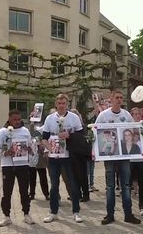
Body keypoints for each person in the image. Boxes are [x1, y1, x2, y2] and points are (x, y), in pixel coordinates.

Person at [95, 90, 141, 225]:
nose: (119, 100)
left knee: (126, 185)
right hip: (109, 155)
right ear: (111, 99)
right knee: (110, 186)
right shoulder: (103, 115)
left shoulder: (126, 115)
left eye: (121, 98)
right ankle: (110, 215)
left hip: (124, 156)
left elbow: (133, 132)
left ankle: (128, 214)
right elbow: (96, 131)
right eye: (117, 97)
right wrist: (96, 151)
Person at [41, 94, 83, 223]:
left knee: (72, 184)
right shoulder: (49, 118)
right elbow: (44, 138)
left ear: (67, 104)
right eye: (59, 103)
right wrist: (50, 149)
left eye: (63, 103)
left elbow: (81, 135)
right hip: (54, 158)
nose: (61, 105)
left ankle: (76, 212)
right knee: (54, 185)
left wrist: (69, 135)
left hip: (69, 156)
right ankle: (53, 212)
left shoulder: (74, 118)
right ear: (56, 104)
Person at [0, 109, 35, 227]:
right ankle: (6, 216)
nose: (17, 122)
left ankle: (26, 214)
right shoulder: (2, 132)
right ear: (9, 119)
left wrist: (29, 149)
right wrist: (5, 152)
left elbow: (30, 146)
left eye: (19, 119)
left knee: (24, 191)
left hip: (22, 164)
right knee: (7, 192)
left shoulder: (25, 131)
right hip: (7, 166)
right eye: (14, 120)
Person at [70, 109, 91, 203]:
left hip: (81, 154)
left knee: (82, 175)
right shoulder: (69, 127)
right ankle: (77, 194)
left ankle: (85, 194)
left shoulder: (82, 127)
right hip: (72, 153)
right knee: (74, 175)